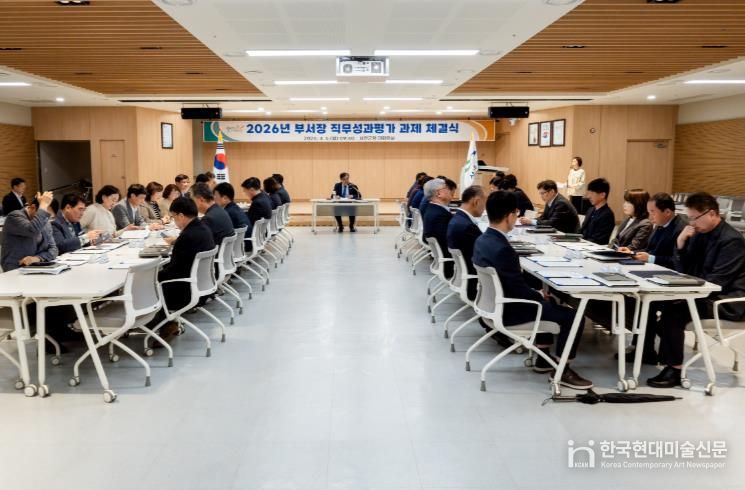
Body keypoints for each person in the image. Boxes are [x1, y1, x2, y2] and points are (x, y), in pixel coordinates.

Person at [473, 191, 591, 389]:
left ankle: (543, 358)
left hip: (492, 305)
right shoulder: (503, 249)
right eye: (516, 213)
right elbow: (518, 290)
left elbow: (513, 284)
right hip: (511, 311)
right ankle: (562, 370)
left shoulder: (483, 240)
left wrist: (538, 294)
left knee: (547, 300)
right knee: (574, 317)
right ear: (510, 215)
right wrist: (538, 294)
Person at [647, 192, 745, 388]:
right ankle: (652, 353)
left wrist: (684, 293)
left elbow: (718, 282)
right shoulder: (699, 233)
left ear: (712, 213)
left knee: (674, 312)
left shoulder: (731, 240)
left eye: (694, 218)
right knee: (658, 303)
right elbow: (684, 269)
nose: (691, 223)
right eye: (689, 218)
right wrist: (680, 244)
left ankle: (674, 369)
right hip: (705, 293)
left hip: (726, 301)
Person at [615, 193, 686, 364]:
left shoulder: (680, 229)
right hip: (653, 274)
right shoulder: (659, 225)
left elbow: (678, 261)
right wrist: (633, 253)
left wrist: (652, 258)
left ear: (667, 212)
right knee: (635, 300)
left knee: (646, 303)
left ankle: (646, 351)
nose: (650, 216)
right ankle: (641, 348)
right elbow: (650, 250)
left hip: (670, 281)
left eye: (653, 212)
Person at [155, 197, 216, 342]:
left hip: (184, 290)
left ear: (181, 216)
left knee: (149, 285)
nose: (174, 221)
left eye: (174, 217)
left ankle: (164, 323)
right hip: (201, 285)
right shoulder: (203, 229)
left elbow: (174, 271)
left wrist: (153, 276)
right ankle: (167, 323)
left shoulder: (187, 236)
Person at [1, 191, 58, 272]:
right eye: (45, 215)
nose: (46, 220)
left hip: (38, 267)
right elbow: (32, 230)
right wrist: (43, 205)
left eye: (50, 217)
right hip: (16, 268)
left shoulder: (45, 221)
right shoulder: (14, 216)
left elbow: (54, 249)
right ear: (33, 207)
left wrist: (37, 258)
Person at [447, 185, 485, 300]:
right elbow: (485, 253)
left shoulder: (458, 219)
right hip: (477, 283)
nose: (484, 208)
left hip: (465, 276)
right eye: (485, 203)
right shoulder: (467, 226)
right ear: (476, 201)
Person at [423, 178, 456, 278]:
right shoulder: (439, 215)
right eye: (447, 188)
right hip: (452, 265)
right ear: (439, 194)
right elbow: (450, 241)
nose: (450, 190)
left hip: (443, 262)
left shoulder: (433, 209)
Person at [580, 178, 615, 245]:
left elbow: (599, 240)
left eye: (592, 193)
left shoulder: (607, 215)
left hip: (593, 247)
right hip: (582, 245)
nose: (589, 196)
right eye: (589, 193)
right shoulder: (590, 210)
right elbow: (581, 231)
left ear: (602, 195)